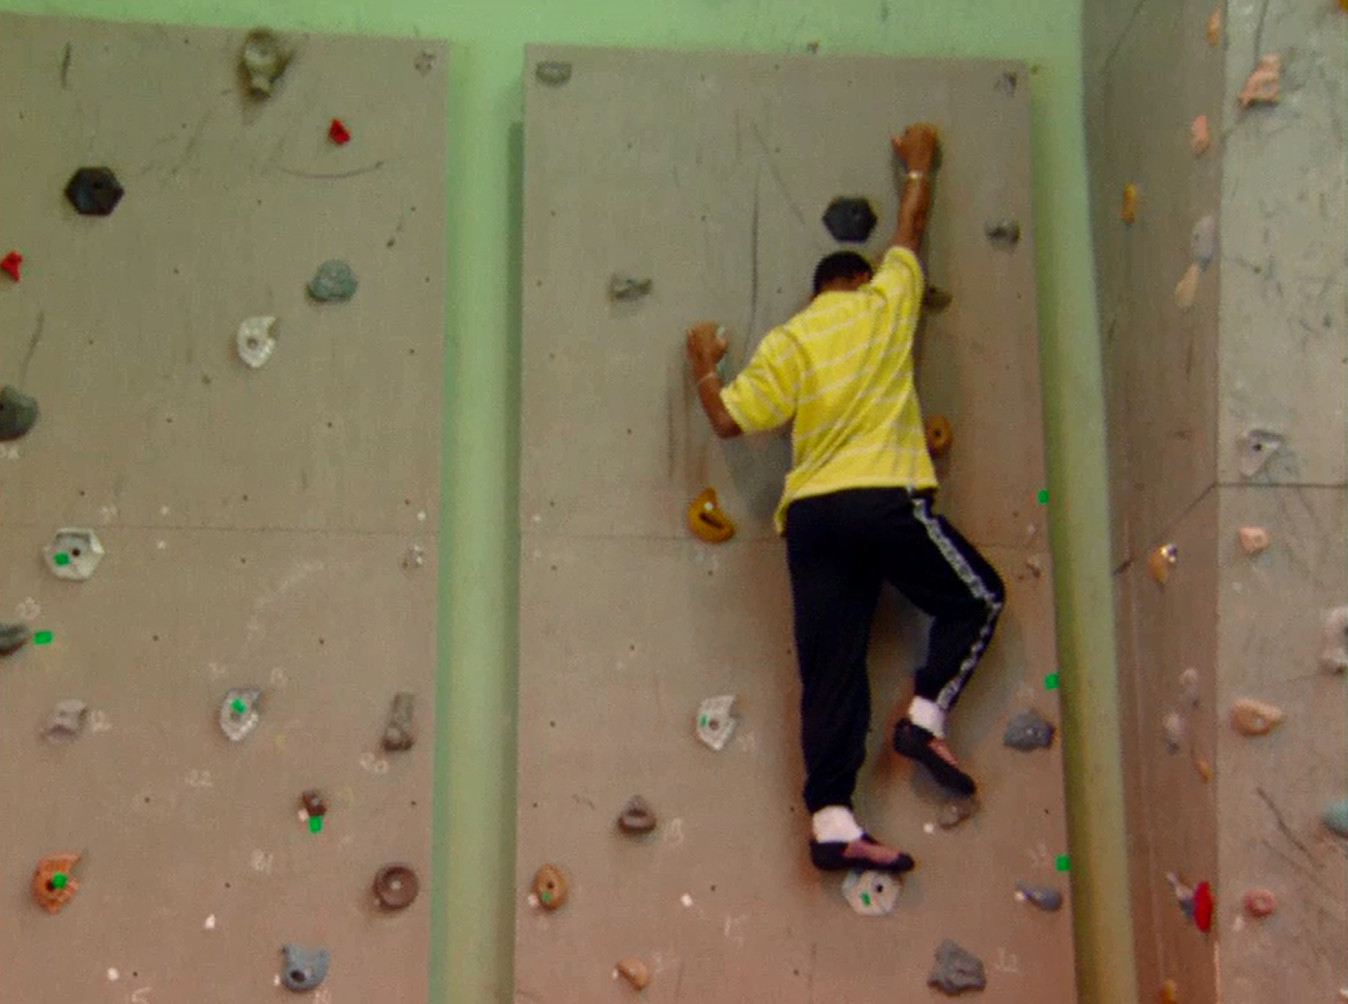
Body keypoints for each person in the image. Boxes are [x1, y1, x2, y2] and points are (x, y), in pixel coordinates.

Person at [684, 124, 1005, 874]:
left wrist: (703, 364)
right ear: (860, 279)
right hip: (881, 497)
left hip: (813, 521)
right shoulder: (885, 302)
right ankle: (925, 717)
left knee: (831, 673)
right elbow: (910, 230)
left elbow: (728, 420)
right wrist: (918, 167)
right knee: (977, 599)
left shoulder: (790, 340)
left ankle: (831, 821)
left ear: (815, 291)